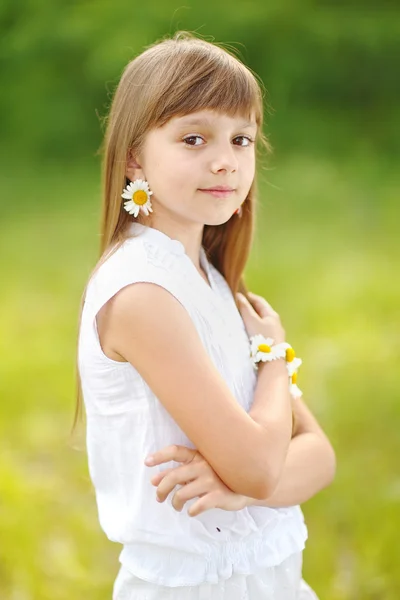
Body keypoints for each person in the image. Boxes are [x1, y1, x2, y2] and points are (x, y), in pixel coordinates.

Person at [74, 31, 336, 599]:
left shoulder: (214, 282)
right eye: (194, 138)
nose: (225, 161)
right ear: (134, 158)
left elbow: (318, 455)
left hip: (268, 578)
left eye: (242, 139)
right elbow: (265, 466)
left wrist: (242, 489)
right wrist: (271, 355)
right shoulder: (143, 291)